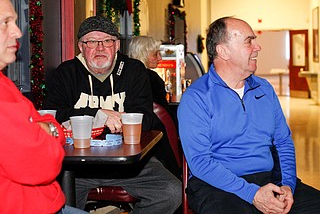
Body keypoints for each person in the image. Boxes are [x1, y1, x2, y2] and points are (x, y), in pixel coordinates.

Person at [178, 16, 320, 214]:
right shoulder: (196, 98)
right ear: (223, 51)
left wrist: (288, 186)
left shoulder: (265, 89)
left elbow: (283, 142)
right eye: (249, 41)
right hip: (218, 185)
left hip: (268, 178)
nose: (257, 47)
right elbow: (201, 163)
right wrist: (252, 194)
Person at [43, 16, 181, 213]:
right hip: (77, 169)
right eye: (91, 41)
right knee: (51, 199)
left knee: (171, 192)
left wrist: (115, 119)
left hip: (131, 165)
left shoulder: (134, 70)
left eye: (107, 41)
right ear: (81, 47)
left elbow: (146, 118)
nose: (100, 48)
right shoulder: (67, 72)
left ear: (116, 45)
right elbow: (52, 116)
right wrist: (99, 114)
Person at [0, 0, 88, 213]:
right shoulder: (67, 72)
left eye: (15, 23)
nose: (18, 32)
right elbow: (42, 166)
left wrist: (44, 127)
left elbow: (47, 120)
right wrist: (46, 127)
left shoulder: (4, 83)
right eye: (5, 23)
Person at [128, 35, 181, 178]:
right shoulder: (151, 78)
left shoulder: (124, 77)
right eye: (155, 54)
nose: (160, 58)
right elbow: (164, 113)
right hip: (154, 139)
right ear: (143, 54)